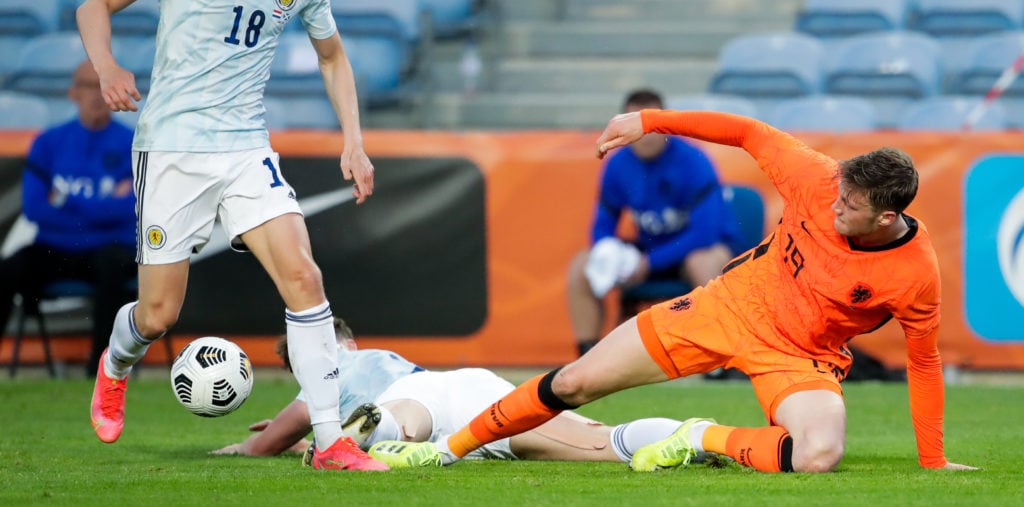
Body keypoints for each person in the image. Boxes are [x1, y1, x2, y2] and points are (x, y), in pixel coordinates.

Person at [367, 110, 979, 474]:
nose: (835, 204)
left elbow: (923, 361)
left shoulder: (916, 272)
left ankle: (697, 437)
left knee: (818, 454)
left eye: (851, 205)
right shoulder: (817, 177)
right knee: (575, 382)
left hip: (801, 357)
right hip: (726, 307)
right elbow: (744, 130)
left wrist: (932, 460)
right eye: (840, 191)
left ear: (886, 217)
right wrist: (649, 121)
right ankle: (442, 452)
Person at [75, 0, 384, 471]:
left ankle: (330, 443)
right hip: (171, 150)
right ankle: (115, 363)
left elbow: (332, 57)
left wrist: (353, 137)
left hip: (245, 150)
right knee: (159, 314)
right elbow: (93, 5)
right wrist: (107, 68)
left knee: (305, 278)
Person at [212, 318, 704, 467]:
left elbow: (264, 444)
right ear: (349, 341)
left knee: (401, 420)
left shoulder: (318, 378)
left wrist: (246, 445)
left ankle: (373, 433)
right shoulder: (372, 354)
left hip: (419, 402)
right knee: (602, 440)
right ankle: (702, 439)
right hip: (470, 384)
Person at [567, 89, 743, 356]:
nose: (644, 134)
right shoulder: (617, 165)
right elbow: (602, 225)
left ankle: (725, 353)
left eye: (648, 124)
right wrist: (610, 253)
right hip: (648, 249)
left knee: (703, 261)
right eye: (633, 124)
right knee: (582, 264)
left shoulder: (694, 160)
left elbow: (704, 234)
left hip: (697, 251)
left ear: (664, 124)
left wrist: (648, 263)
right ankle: (587, 355)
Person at [0, 61, 137, 375]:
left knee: (113, 267)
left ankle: (102, 372)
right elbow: (35, 210)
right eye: (88, 85)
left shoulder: (133, 144)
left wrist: (65, 200)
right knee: (7, 270)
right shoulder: (48, 143)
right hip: (55, 249)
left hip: (111, 250)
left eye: (104, 85)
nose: (97, 94)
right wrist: (101, 204)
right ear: (72, 92)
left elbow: (130, 209)